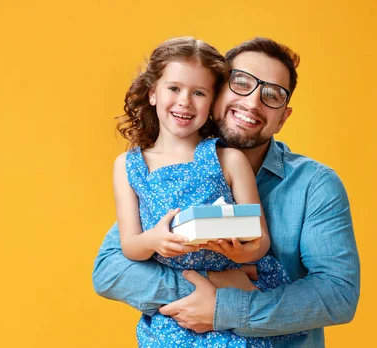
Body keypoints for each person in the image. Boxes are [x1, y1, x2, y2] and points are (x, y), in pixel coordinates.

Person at [93, 37, 361, 348]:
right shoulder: (164, 176)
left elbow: (338, 295)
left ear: (283, 118)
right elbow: (111, 271)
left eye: (272, 95)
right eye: (241, 83)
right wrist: (211, 284)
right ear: (218, 92)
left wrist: (224, 309)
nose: (252, 103)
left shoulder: (315, 185)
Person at [112, 36, 294, 347]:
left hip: (234, 301)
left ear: (212, 103)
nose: (185, 101)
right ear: (153, 92)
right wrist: (154, 240)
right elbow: (129, 246)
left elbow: (260, 238)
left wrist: (243, 252)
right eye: (174, 88)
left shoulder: (229, 159)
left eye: (199, 93)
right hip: (174, 316)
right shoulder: (129, 166)